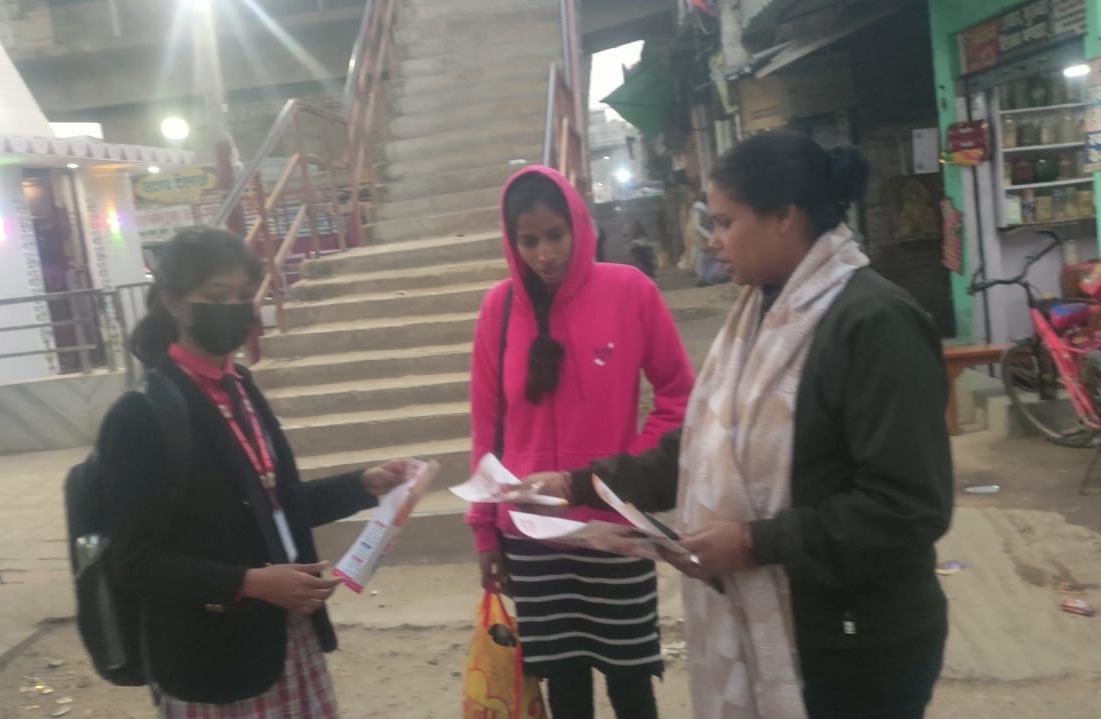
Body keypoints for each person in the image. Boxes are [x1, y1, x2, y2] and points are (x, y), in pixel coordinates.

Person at [517, 131, 954, 719]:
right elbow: (700, 447)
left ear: (783, 217)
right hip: (794, 624)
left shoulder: (873, 322)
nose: (712, 240)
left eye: (725, 222)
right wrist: (574, 485)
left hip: (855, 644)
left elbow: (908, 507)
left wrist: (752, 543)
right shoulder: (760, 316)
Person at [98, 227, 411, 717]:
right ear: (175, 304)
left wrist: (361, 485)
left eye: (244, 295)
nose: (234, 308)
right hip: (212, 658)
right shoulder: (140, 416)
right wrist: (249, 583)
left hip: (285, 637)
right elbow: (135, 562)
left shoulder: (240, 386)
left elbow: (271, 505)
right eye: (215, 296)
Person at [467, 167, 695, 719]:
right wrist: (485, 530)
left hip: (615, 526)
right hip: (533, 537)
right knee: (564, 686)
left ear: (578, 225)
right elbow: (487, 428)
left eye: (555, 235)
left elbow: (680, 396)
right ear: (512, 243)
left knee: (631, 682)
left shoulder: (630, 291)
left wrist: (629, 469)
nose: (544, 254)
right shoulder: (499, 310)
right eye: (529, 241)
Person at [691, 192, 727, 286]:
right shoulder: (699, 209)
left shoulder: (705, 209)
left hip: (707, 236)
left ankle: (708, 278)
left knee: (711, 258)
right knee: (705, 258)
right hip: (703, 237)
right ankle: (704, 278)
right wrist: (709, 235)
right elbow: (697, 226)